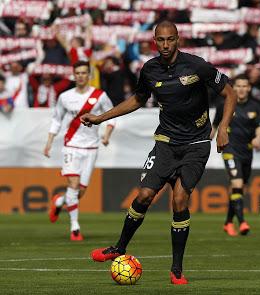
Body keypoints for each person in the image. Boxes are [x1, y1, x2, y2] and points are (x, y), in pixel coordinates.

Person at [80, 21, 236, 285]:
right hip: (165, 142)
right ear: (155, 41)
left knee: (179, 200)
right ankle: (119, 248)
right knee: (144, 195)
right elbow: (138, 100)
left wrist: (223, 128)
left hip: (196, 144)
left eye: (170, 40)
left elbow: (229, 93)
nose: (165, 45)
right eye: (161, 40)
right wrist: (101, 118)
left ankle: (176, 270)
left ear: (178, 40)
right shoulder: (150, 69)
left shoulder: (197, 66)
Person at [44, 60, 115, 241]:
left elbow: (111, 116)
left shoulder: (100, 95)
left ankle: (59, 201)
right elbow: (57, 120)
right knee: (74, 186)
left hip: (91, 148)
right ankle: (75, 228)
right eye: (78, 73)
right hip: (71, 145)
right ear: (74, 75)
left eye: (84, 73)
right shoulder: (65, 97)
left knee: (79, 192)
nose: (81, 76)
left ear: (89, 75)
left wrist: (106, 135)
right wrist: (49, 142)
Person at [211, 74, 260, 236]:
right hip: (229, 149)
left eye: (244, 86)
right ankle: (242, 223)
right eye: (238, 86)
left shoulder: (255, 107)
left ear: (249, 88)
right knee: (237, 183)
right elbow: (214, 128)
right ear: (233, 88)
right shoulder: (224, 105)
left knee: (239, 190)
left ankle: (228, 223)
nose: (241, 89)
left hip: (247, 152)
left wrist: (258, 138)